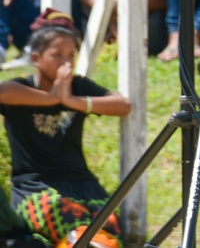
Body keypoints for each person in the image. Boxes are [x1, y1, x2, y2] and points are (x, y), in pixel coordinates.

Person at [0, 23, 130, 248]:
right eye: (57, 54)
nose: (66, 61)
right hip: (35, 186)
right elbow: (3, 92)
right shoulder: (21, 87)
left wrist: (72, 101)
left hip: (83, 184)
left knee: (109, 228)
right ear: (36, 58)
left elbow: (122, 104)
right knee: (72, 222)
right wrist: (52, 98)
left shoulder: (78, 87)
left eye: (71, 54)